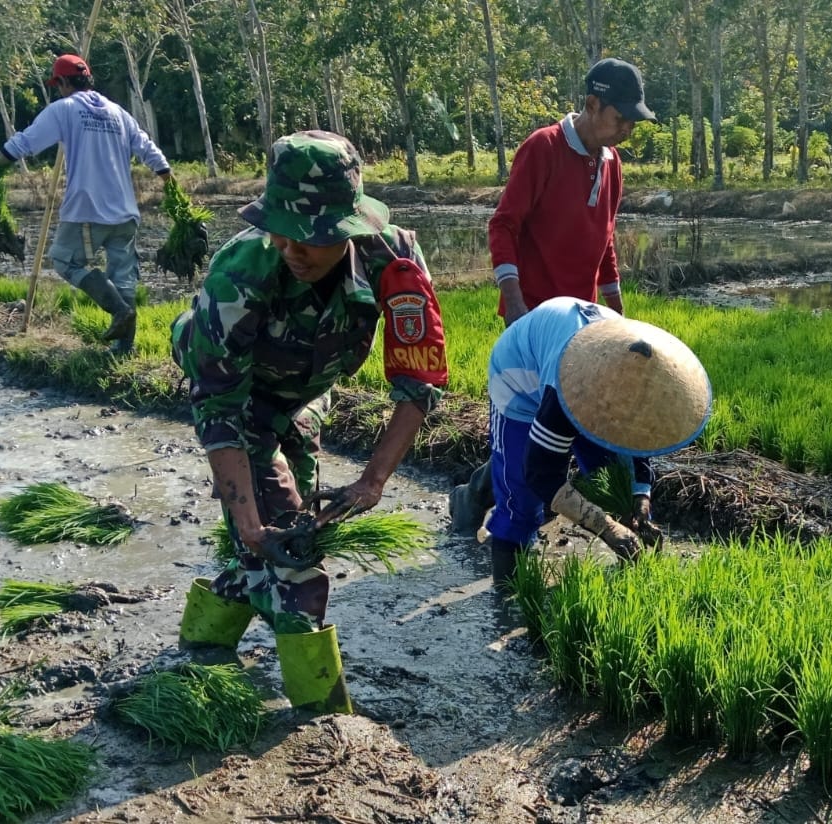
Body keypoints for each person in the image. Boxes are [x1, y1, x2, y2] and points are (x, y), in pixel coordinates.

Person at [170, 131, 449, 715]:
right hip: (238, 393)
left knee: (272, 544)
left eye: (315, 237)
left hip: (304, 396)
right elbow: (218, 409)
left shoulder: (393, 262)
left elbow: (417, 384)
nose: (296, 248)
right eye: (285, 230)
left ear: (350, 230)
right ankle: (322, 719)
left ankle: (200, 647)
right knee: (295, 559)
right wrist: (246, 520)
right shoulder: (239, 276)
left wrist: (372, 482)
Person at [449, 57, 658, 535]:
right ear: (591, 104)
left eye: (632, 120)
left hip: (583, 323)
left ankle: (481, 493)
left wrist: (616, 308)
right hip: (535, 319)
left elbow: (605, 237)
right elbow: (503, 224)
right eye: (620, 117)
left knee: (573, 424)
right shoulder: (542, 149)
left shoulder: (611, 163)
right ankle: (495, 502)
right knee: (537, 425)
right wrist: (514, 299)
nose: (627, 129)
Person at [484, 296, 710, 591]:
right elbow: (541, 474)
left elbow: (638, 441)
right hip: (518, 381)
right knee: (521, 497)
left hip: (574, 349)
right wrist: (605, 527)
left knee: (611, 476)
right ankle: (507, 595)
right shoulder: (563, 393)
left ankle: (633, 578)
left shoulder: (637, 377)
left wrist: (640, 497)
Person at [0, 53, 172, 355]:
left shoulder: (65, 109)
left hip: (87, 209)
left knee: (65, 261)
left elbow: (22, 143)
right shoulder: (117, 112)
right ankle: (124, 348)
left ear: (64, 82)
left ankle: (119, 310)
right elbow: (149, 150)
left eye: (58, 85)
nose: (59, 90)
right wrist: (171, 186)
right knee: (123, 276)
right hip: (125, 211)